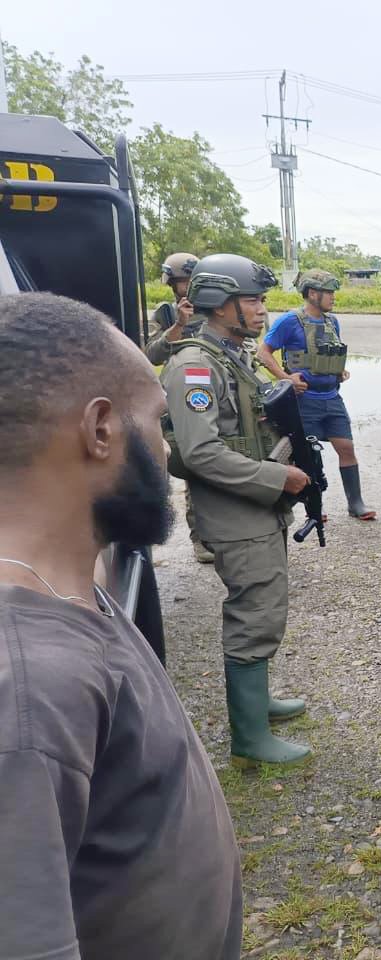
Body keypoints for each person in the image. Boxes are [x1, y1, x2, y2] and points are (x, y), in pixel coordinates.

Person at [0, 292, 241, 958]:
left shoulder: (71, 581)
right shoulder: (27, 689)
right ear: (100, 429)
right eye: (158, 421)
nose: (166, 449)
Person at [163, 254, 312, 766]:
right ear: (219, 304)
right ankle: (249, 739)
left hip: (255, 508)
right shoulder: (195, 366)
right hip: (235, 513)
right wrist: (277, 478)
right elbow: (201, 452)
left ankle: (258, 702)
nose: (262, 309)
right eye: (252, 300)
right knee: (254, 613)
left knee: (266, 605)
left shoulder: (230, 355)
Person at [257, 269, 376, 520]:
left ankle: (355, 503)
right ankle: (314, 507)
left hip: (331, 397)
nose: (333, 297)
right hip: (304, 401)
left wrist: (339, 370)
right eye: (328, 292)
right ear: (312, 294)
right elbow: (263, 352)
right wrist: (286, 378)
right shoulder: (289, 321)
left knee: (346, 447)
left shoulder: (332, 322)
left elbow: (329, 352)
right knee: (308, 454)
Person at [144, 251, 214, 564]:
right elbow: (150, 354)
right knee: (191, 466)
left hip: (214, 391)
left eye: (190, 280)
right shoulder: (165, 314)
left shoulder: (215, 309)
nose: (186, 287)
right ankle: (200, 538)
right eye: (181, 281)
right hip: (180, 396)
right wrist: (178, 327)